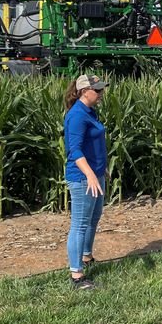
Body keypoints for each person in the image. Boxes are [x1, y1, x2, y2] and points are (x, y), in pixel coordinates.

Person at [63, 73, 109, 290]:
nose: (101, 93)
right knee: (80, 223)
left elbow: (94, 145)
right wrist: (90, 174)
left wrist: (102, 170)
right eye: (97, 90)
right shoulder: (77, 116)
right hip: (83, 178)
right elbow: (75, 150)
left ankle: (87, 257)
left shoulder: (90, 112)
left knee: (94, 218)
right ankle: (76, 274)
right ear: (84, 91)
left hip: (96, 175)